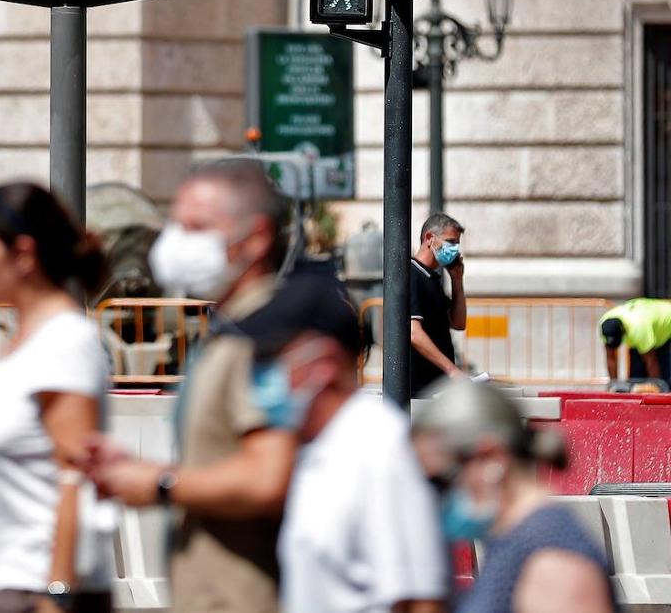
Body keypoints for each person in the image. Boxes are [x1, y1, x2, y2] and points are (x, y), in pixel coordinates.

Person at [85, 158, 296, 613]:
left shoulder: (264, 339)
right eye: (175, 225)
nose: (173, 242)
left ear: (255, 238)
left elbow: (267, 476)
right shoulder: (227, 332)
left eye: (196, 226)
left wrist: (159, 483)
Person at [0, 182, 113, 613]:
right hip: (3, 583)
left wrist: (56, 595)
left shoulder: (63, 344)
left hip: (33, 590)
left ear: (23, 254)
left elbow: (74, 479)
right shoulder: (22, 346)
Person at [247, 274, 448, 613]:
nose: (256, 375)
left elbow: (421, 599)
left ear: (322, 364)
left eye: (270, 361)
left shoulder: (379, 450)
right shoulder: (315, 447)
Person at [412, 379, 615, 613]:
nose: (435, 498)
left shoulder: (553, 562)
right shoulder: (513, 541)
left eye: (439, 482)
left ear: (490, 457)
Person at [410, 212, 467, 397]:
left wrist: (457, 280)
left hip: (438, 387)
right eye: (450, 242)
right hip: (421, 388)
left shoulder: (432, 278)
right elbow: (413, 332)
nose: (454, 249)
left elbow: (458, 323)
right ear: (429, 238)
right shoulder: (412, 274)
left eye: (456, 244)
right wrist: (451, 370)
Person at [598, 298, 671, 381]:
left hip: (667, 321)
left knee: (665, 376)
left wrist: (659, 387)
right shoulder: (604, 325)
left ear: (624, 331)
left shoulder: (638, 329)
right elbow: (610, 357)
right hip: (647, 324)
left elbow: (651, 361)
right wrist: (613, 385)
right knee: (636, 378)